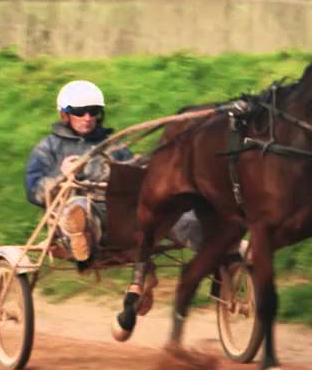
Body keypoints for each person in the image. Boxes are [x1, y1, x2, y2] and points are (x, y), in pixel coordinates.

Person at [24, 80, 202, 264]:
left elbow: (135, 177)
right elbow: (33, 191)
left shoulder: (113, 144)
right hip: (84, 211)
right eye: (79, 112)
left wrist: (142, 166)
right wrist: (61, 175)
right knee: (78, 207)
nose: (87, 117)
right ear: (65, 115)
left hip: (125, 213)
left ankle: (218, 250)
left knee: (176, 211)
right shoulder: (48, 147)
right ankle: (80, 239)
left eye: (93, 111)